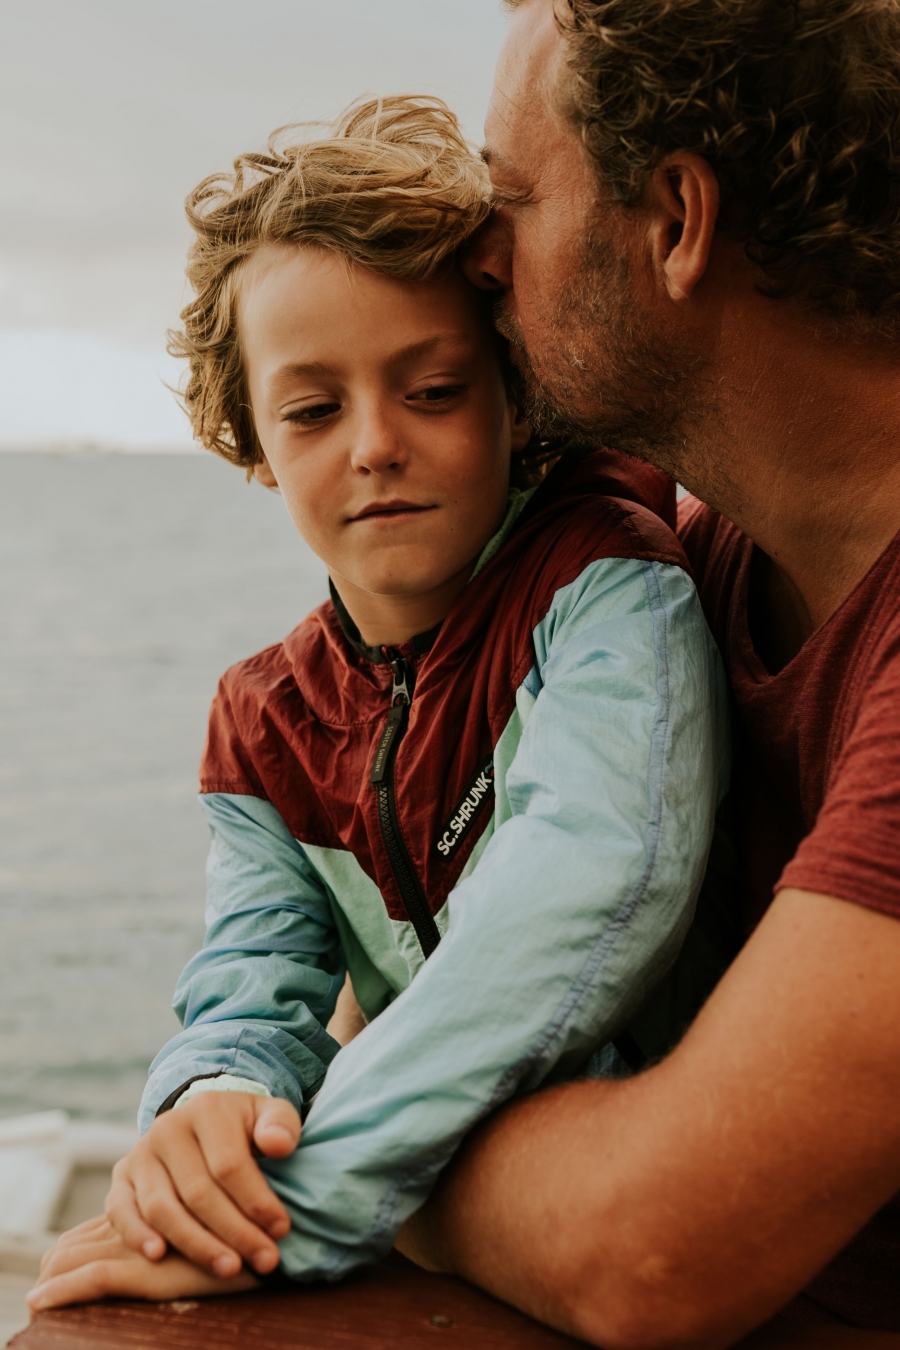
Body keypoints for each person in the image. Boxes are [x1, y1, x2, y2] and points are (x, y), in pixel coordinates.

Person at [29, 93, 729, 1311]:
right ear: (250, 437)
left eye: (435, 391)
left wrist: (308, 1199)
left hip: (641, 1204)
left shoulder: (606, 587)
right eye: (312, 408)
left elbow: (587, 889)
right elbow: (254, 979)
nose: (374, 444)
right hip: (453, 1220)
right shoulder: (263, 722)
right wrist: (209, 1121)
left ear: (518, 396)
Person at [382, 1, 900, 1346]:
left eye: (511, 201)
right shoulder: (678, 576)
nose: (476, 259)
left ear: (676, 220)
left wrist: (363, 1152)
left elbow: (658, 1246)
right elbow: (395, 959)